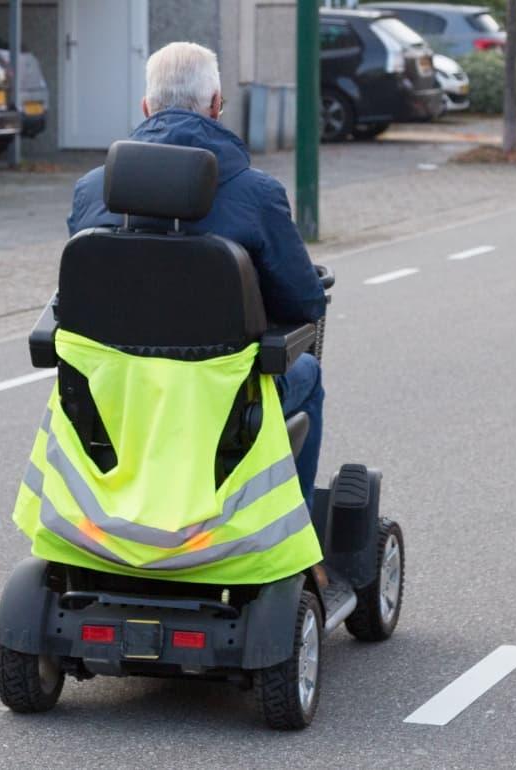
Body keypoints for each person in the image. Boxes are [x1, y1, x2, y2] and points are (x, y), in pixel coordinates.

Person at [66, 42, 326, 511]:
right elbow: (304, 305)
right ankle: (296, 529)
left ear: (145, 108)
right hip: (223, 406)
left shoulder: (91, 191)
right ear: (216, 105)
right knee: (307, 372)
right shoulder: (257, 194)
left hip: (110, 404)